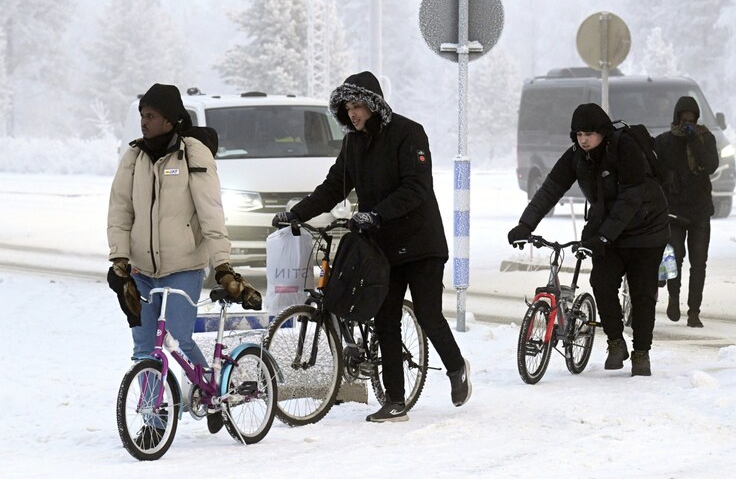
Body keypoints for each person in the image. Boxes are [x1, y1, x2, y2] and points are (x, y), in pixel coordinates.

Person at [272, 71, 471, 422]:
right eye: (347, 107)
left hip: (421, 244)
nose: (352, 113)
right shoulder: (353, 143)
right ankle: (395, 400)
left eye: (357, 105)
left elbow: (416, 187)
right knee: (386, 319)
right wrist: (296, 214)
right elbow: (334, 187)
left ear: (374, 104)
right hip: (382, 248)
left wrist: (375, 214)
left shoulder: (409, 133)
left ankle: (456, 368)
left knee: (428, 314)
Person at [107, 83, 261, 445]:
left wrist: (222, 265)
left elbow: (211, 213)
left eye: (151, 116)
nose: (143, 123)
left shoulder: (194, 154)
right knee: (145, 348)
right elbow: (119, 210)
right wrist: (119, 258)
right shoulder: (133, 157)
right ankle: (153, 420)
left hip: (184, 266)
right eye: (142, 116)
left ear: (170, 120)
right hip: (142, 270)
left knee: (177, 336)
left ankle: (209, 383)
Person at [506, 103, 669, 376]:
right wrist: (525, 224)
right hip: (607, 229)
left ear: (603, 132)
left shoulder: (625, 148)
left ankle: (641, 352)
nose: (583, 139)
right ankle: (616, 342)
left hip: (645, 229)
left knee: (642, 293)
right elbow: (551, 188)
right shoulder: (577, 156)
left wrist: (602, 236)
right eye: (579, 133)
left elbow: (631, 198)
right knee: (601, 283)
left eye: (589, 133)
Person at [654, 96, 719, 328]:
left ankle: (694, 311)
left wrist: (695, 140)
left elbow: (710, 165)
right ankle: (673, 297)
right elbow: (657, 170)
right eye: (684, 119)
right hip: (674, 210)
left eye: (691, 119)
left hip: (700, 209)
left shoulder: (705, 138)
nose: (688, 123)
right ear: (677, 118)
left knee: (699, 262)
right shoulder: (664, 141)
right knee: (674, 257)